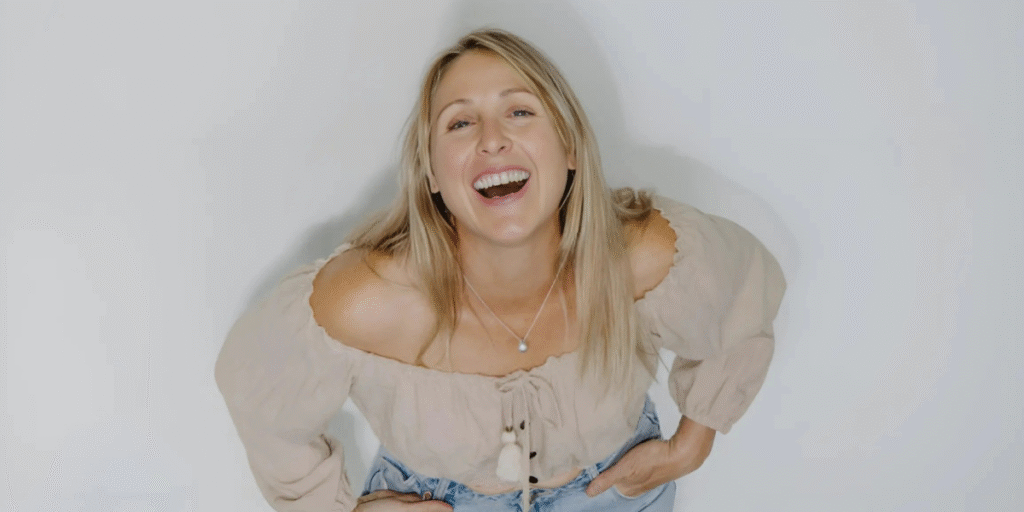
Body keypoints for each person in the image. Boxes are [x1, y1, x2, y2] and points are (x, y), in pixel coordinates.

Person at [215, 29, 786, 512]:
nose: (493, 139)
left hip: (617, 490)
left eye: (519, 111)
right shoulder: (369, 299)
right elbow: (257, 393)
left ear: (569, 148)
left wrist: (693, 442)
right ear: (433, 174)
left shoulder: (641, 255)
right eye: (459, 124)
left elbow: (743, 295)